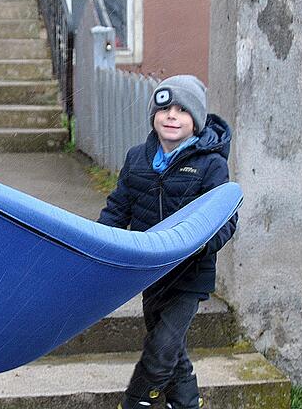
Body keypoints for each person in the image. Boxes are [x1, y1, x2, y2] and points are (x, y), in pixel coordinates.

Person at [98, 75, 237, 409]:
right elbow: (118, 208)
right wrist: (100, 243)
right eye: (164, 109)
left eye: (182, 110)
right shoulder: (137, 159)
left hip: (189, 275)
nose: (172, 116)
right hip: (150, 273)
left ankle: (134, 402)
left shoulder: (211, 165)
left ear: (196, 121)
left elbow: (225, 218)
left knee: (161, 349)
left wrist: (200, 243)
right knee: (172, 350)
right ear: (153, 116)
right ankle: (186, 403)